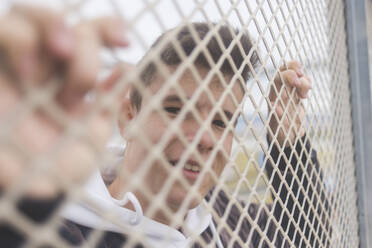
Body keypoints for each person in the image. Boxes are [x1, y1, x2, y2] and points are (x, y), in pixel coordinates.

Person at [0, 4, 330, 248]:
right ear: (129, 116)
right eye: (176, 109)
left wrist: (290, 144)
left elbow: (306, 233)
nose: (203, 138)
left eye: (220, 121)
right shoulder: (63, 228)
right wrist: (23, 192)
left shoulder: (220, 216)